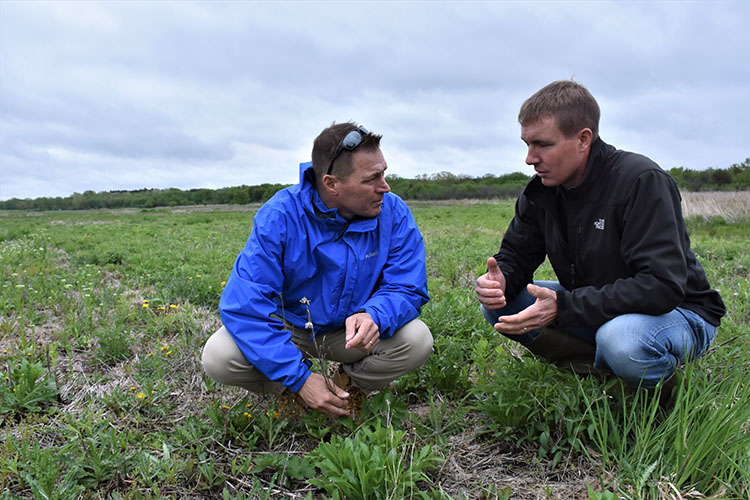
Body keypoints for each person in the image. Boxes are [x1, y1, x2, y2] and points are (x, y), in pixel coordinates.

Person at [475, 80, 725, 389]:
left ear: (583, 139)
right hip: (600, 306)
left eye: (543, 144)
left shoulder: (641, 181)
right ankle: (600, 370)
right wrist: (501, 280)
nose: (530, 157)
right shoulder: (541, 192)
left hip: (680, 312)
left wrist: (565, 307)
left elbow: (662, 286)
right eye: (526, 144)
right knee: (499, 305)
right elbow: (516, 256)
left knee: (621, 340)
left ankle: (671, 400)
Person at [202, 122, 433, 418]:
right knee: (219, 356)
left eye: (384, 173)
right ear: (332, 183)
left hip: (350, 332)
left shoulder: (394, 212)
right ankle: (293, 391)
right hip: (289, 327)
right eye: (372, 178)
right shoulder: (281, 216)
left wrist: (375, 314)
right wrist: (298, 378)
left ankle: (348, 387)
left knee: (417, 340)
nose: (384, 187)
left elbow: (406, 285)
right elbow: (245, 307)